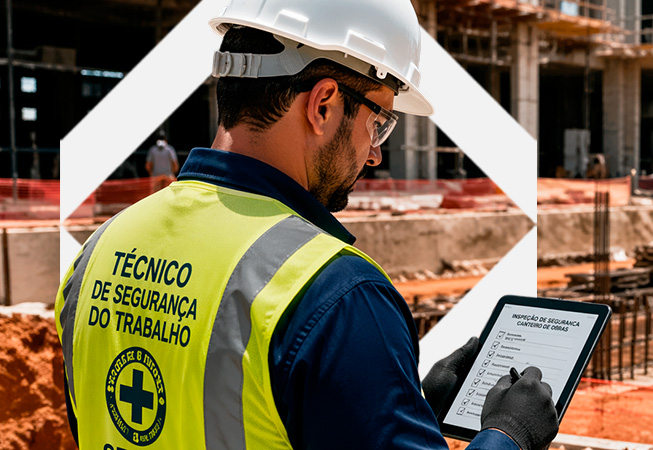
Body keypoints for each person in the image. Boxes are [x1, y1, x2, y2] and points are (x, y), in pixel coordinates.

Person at [53, 1, 558, 449]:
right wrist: (508, 435)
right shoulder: (335, 296)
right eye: (378, 120)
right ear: (322, 105)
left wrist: (396, 403)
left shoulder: (97, 253)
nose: (377, 152)